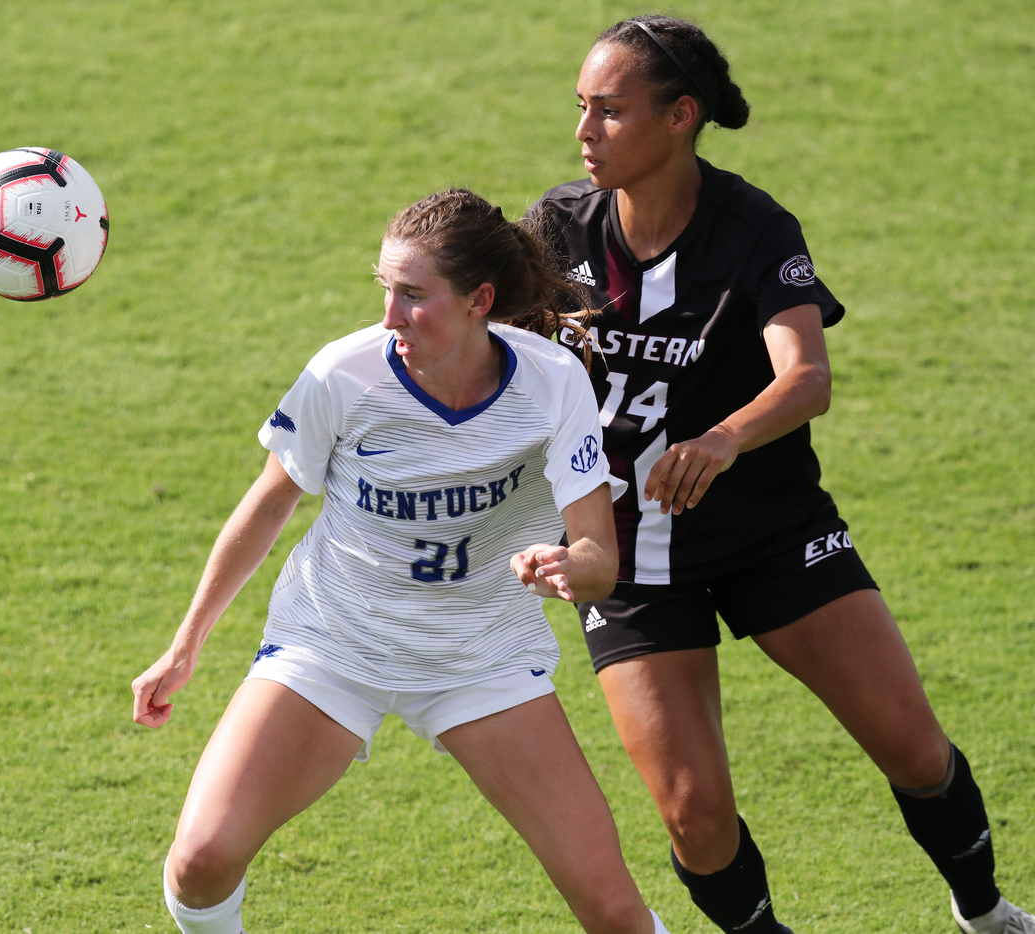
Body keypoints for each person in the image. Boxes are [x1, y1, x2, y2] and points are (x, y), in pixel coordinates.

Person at [525, 15, 1033, 934]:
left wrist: (722, 438)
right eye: (580, 110)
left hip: (771, 531)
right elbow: (496, 359)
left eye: (609, 110)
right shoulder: (558, 230)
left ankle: (985, 911)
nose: (585, 131)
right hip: (628, 559)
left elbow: (805, 376)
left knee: (915, 750)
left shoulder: (753, 227)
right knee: (694, 815)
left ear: (681, 117)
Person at [132, 189, 672, 934]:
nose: (390, 316)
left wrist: (565, 567)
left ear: (480, 300)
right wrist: (183, 647)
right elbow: (268, 503)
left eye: (413, 296)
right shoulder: (344, 375)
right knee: (199, 862)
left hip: (480, 659)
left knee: (613, 910)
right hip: (335, 645)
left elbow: (599, 563)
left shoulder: (553, 384)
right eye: (385, 289)